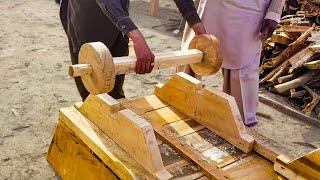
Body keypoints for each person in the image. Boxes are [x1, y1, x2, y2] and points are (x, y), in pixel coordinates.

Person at [59, 0, 206, 101]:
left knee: (114, 93)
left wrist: (196, 24)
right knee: (92, 95)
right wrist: (136, 37)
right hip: (86, 18)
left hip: (117, 21)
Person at [181, 0, 285, 126]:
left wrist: (274, 11)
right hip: (212, 4)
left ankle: (238, 118)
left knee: (242, 58)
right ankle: (183, 96)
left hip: (250, 7)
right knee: (198, 48)